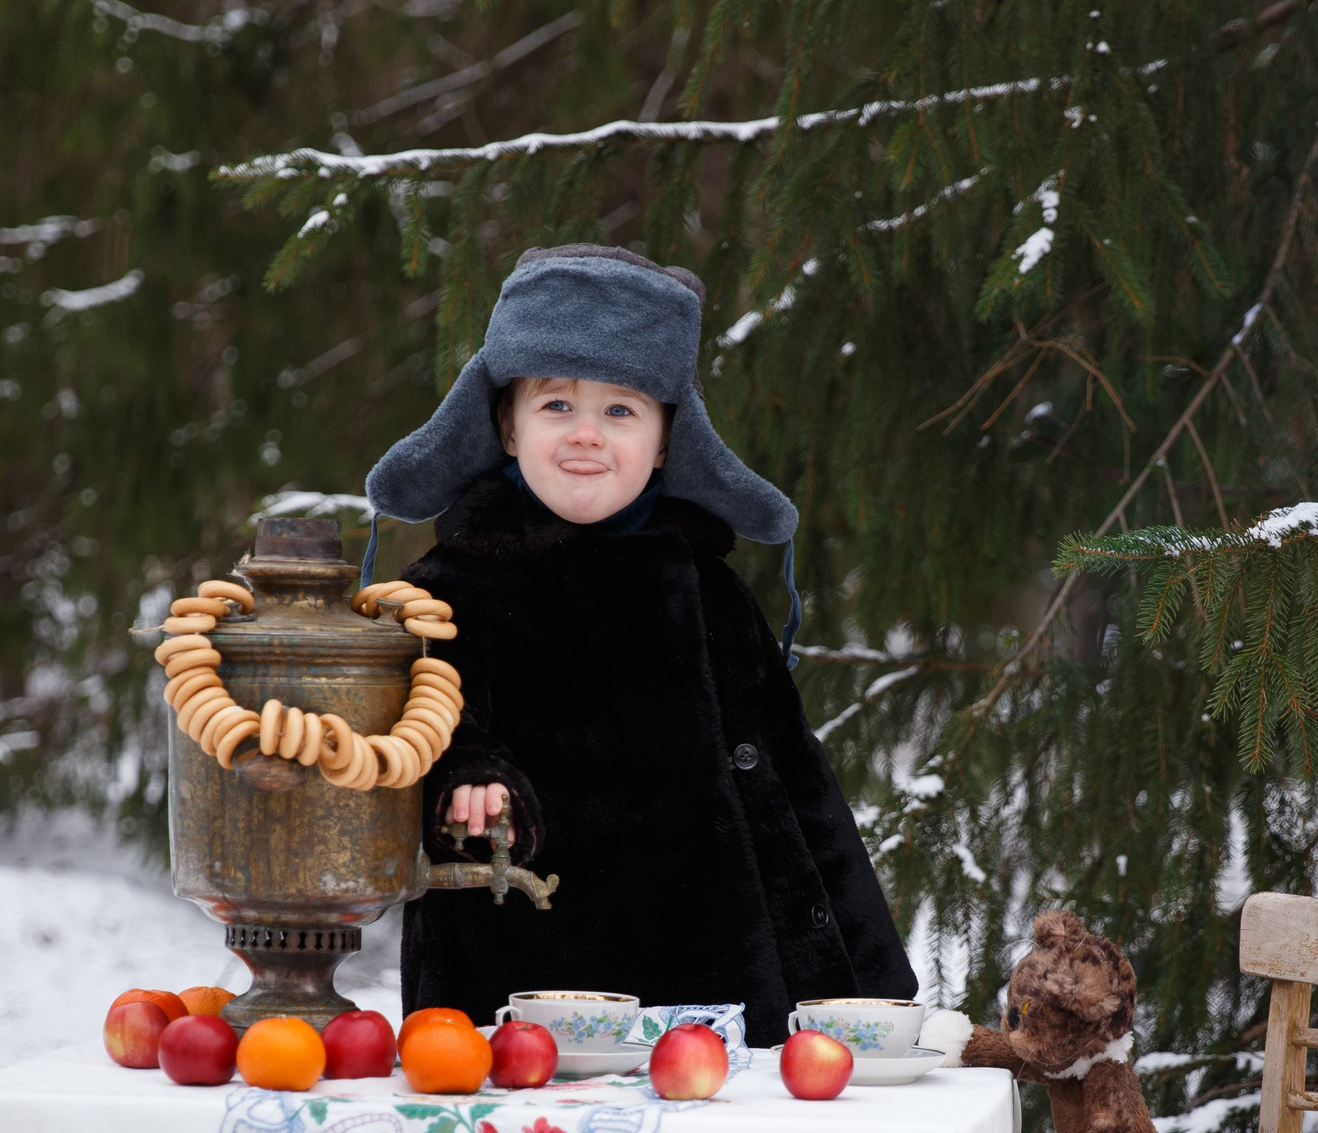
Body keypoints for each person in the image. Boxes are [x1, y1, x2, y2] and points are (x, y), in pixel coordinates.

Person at [360, 244, 915, 1046]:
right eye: (556, 406)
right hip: (521, 981)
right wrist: (467, 770)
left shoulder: (708, 589)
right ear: (507, 429)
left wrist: (859, 976)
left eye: (620, 411)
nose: (586, 434)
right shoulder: (451, 586)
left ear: (664, 444)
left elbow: (787, 778)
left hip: (713, 981)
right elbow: (425, 717)